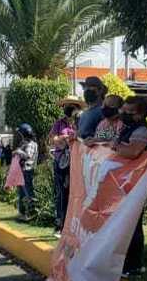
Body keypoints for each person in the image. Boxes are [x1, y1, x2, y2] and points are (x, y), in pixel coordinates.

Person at [119, 95, 147, 277]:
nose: (124, 114)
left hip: (137, 183)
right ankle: (131, 263)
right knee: (130, 224)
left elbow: (134, 152)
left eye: (129, 112)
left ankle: (134, 265)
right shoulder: (131, 127)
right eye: (124, 110)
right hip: (130, 182)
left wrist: (115, 147)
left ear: (140, 114)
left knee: (132, 224)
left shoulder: (142, 131)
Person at [51, 95, 84, 236]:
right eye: (66, 105)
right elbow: (53, 139)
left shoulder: (81, 122)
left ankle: (76, 226)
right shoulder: (59, 123)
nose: (68, 108)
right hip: (62, 162)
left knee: (77, 194)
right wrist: (64, 138)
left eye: (71, 105)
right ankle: (60, 225)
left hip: (78, 162)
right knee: (61, 193)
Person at [13, 124, 38, 221]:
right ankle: (22, 214)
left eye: (21, 133)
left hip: (27, 170)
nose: (20, 135)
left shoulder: (31, 144)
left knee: (28, 192)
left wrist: (18, 152)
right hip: (22, 170)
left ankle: (31, 214)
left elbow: (28, 155)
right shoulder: (25, 143)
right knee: (21, 193)